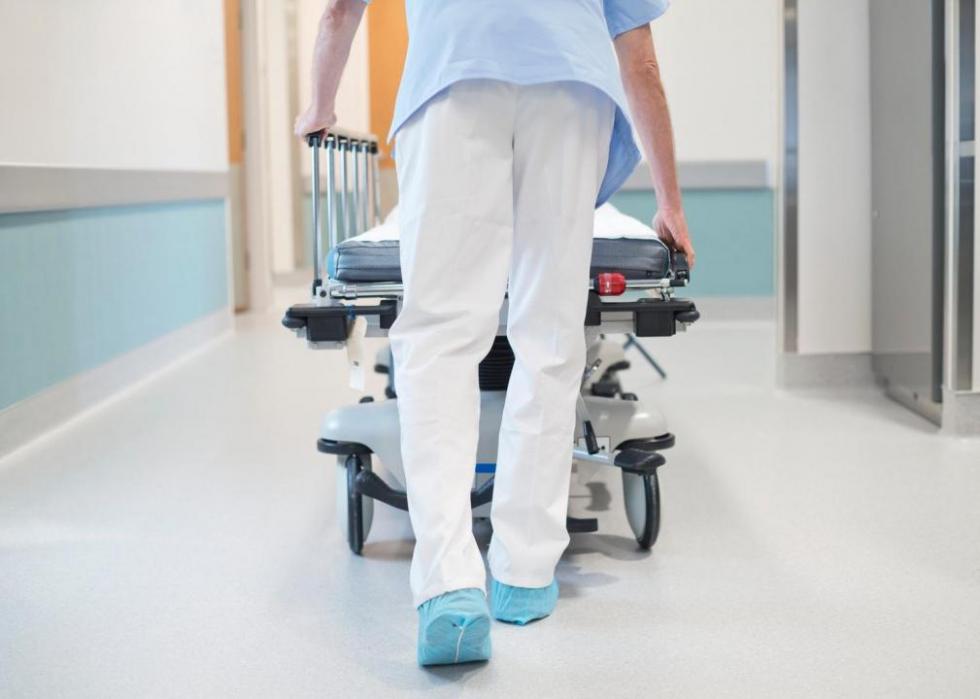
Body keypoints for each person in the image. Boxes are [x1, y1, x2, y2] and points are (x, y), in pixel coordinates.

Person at [296, 0, 695, 667]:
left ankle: (449, 585)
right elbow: (641, 58)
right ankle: (525, 569)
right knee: (550, 335)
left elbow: (341, 9)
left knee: (439, 336)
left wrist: (319, 106)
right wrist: (670, 202)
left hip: (453, 76)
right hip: (570, 91)